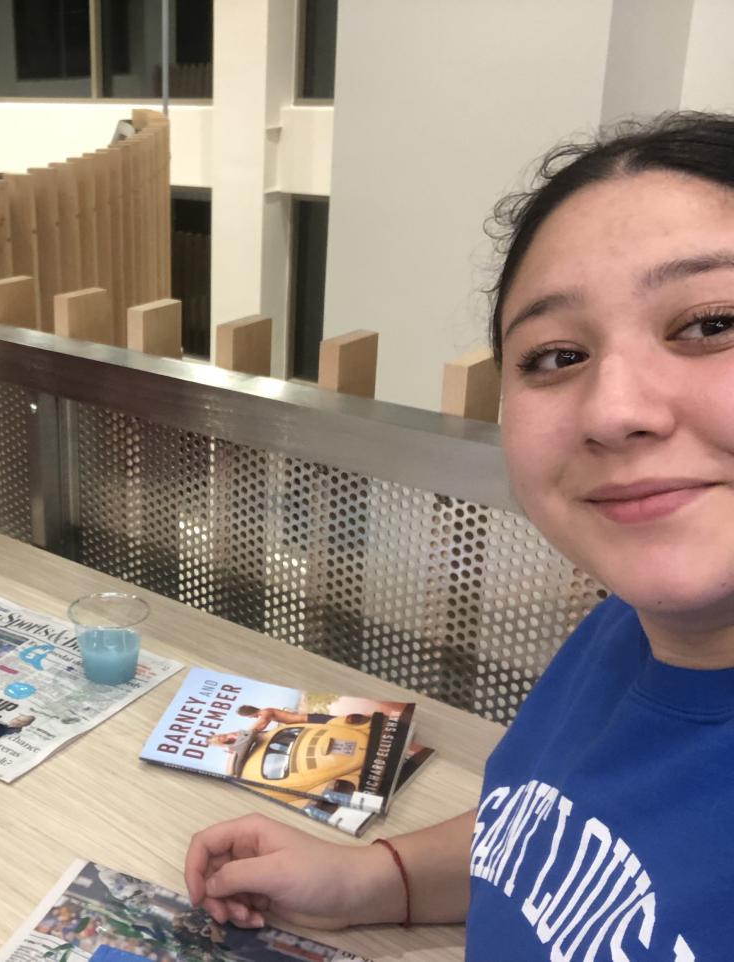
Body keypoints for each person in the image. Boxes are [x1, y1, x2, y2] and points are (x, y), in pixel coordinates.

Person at [184, 111, 734, 959]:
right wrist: (376, 878)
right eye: (557, 356)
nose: (614, 410)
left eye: (710, 323)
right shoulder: (623, 629)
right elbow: (553, 832)